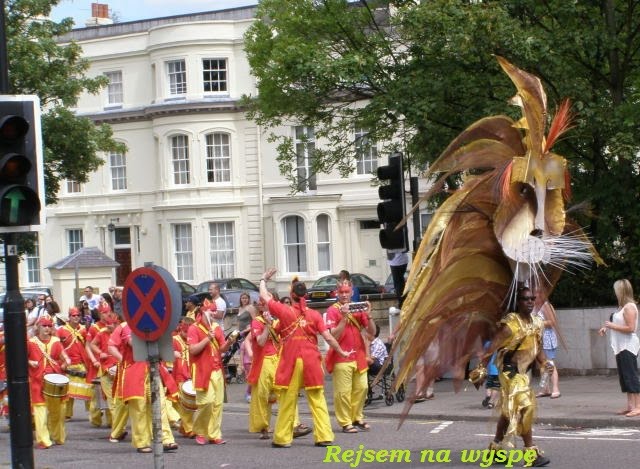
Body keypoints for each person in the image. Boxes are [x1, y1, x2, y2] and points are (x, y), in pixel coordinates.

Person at [259, 268, 353, 448]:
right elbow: (328, 337)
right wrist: (341, 351)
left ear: (292, 295)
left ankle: (282, 438)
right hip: (312, 361)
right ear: (305, 295)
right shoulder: (314, 315)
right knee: (317, 399)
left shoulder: (284, 311)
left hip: (292, 361)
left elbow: (264, 296)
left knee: (288, 400)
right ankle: (324, 436)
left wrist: (263, 279)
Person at [471, 286, 550, 467]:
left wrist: (546, 363)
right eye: (525, 299)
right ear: (518, 302)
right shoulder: (510, 325)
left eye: (532, 298)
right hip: (509, 372)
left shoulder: (538, 323)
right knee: (525, 406)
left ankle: (495, 449)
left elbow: (538, 348)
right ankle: (531, 453)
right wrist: (480, 370)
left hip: (523, 373)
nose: (530, 302)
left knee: (508, 412)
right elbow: (491, 348)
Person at [108, 319, 178, 453]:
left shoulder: (153, 323)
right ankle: (142, 442)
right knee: (138, 409)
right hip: (134, 372)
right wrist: (122, 360)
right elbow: (130, 344)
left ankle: (166, 440)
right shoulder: (125, 326)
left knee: (160, 406)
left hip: (153, 369)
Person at [324, 280, 375, 433]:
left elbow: (371, 332)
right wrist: (344, 317)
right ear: (337, 293)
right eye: (342, 292)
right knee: (343, 392)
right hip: (341, 356)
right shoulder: (332, 310)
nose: (344, 295)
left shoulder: (358, 308)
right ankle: (345, 422)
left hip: (359, 355)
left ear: (352, 292)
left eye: (347, 292)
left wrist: (369, 315)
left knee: (362, 388)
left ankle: (357, 417)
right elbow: (333, 335)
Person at [187, 300, 238, 445]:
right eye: (211, 311)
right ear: (203, 312)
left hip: (217, 369)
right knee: (206, 402)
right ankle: (199, 431)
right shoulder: (193, 328)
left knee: (217, 404)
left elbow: (221, 349)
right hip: (202, 370)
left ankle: (214, 434)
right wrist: (207, 339)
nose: (214, 313)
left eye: (215, 311)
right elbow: (192, 350)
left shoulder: (216, 327)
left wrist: (229, 342)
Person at [28, 315, 71, 448]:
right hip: (37, 380)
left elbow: (65, 357)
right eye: (44, 325)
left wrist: (66, 363)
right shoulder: (31, 342)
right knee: (40, 411)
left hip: (55, 378)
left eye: (49, 326)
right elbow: (21, 358)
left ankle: (57, 436)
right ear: (38, 327)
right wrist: (30, 362)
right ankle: (43, 440)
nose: (47, 328)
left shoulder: (56, 342)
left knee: (58, 411)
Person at [598, 279, 640, 416]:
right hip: (620, 346)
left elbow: (631, 328)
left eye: (616, 290)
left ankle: (638, 406)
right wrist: (606, 327)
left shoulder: (629, 307)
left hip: (628, 346)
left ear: (621, 291)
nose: (614, 293)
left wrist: (612, 326)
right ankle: (630, 406)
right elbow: (616, 321)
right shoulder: (622, 307)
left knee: (631, 376)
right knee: (625, 376)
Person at [57, 307, 91, 420]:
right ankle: (67, 413)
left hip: (81, 363)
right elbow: (57, 346)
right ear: (69, 317)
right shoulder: (61, 330)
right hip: (67, 364)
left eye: (78, 315)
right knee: (68, 391)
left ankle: (92, 412)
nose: (76, 317)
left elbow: (89, 344)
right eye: (73, 315)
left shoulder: (84, 330)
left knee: (87, 389)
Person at [535, 301, 561, 399]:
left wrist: (537, 323)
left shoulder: (545, 305)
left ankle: (555, 388)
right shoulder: (534, 306)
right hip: (538, 338)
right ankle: (545, 389)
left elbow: (552, 322)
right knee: (542, 364)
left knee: (550, 363)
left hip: (547, 338)